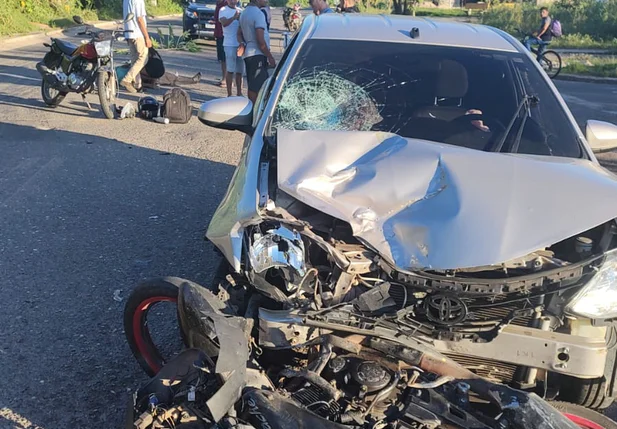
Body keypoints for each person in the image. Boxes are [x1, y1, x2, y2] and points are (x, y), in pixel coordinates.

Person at [237, 0, 276, 104]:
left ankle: (254, 108)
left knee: (253, 83)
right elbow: (260, 39)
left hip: (249, 54)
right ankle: (254, 110)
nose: (267, 1)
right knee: (257, 86)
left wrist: (243, 43)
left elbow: (239, 33)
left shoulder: (244, 13)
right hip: (257, 54)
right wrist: (270, 56)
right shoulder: (258, 14)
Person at [121, 0, 152, 93]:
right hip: (137, 33)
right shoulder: (138, 1)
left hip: (128, 33)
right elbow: (140, 19)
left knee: (134, 60)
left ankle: (137, 84)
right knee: (143, 57)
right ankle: (127, 79)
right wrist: (147, 37)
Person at [219, 0, 244, 97]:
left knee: (240, 71)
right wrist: (234, 18)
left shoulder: (240, 10)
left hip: (240, 44)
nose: (233, 1)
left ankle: (239, 93)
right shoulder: (223, 10)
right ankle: (229, 94)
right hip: (229, 44)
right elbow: (224, 23)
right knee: (230, 70)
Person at [214, 0, 227, 88]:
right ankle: (224, 77)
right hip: (219, 34)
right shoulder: (218, 4)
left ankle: (226, 79)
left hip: (224, 35)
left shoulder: (225, 4)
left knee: (225, 58)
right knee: (222, 59)